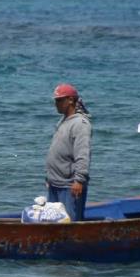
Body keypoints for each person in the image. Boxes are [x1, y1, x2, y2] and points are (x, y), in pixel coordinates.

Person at [45, 83, 92, 221]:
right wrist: (49, 177)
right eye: (55, 101)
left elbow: (82, 154)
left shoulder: (80, 124)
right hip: (54, 184)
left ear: (71, 100)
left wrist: (79, 180)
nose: (56, 104)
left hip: (70, 186)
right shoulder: (63, 121)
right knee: (53, 225)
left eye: (59, 100)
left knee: (69, 224)